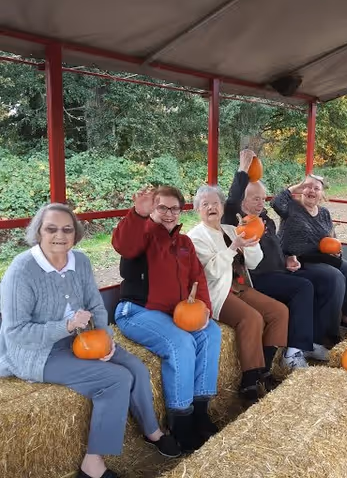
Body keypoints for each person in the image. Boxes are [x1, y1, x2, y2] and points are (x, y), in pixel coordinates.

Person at [0, 203, 180, 478]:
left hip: (82, 338)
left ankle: (152, 431)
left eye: (67, 229)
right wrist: (66, 326)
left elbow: (96, 307)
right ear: (38, 232)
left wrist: (106, 339)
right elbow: (16, 332)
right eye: (51, 229)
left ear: (76, 233)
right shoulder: (21, 270)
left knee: (135, 367)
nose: (59, 235)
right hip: (37, 351)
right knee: (116, 379)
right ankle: (92, 465)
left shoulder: (80, 261)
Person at [111, 185, 222, 453]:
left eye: (174, 208)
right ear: (153, 208)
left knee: (211, 333)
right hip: (136, 311)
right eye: (162, 207)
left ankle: (200, 411)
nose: (169, 213)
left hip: (174, 313)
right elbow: (123, 244)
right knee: (180, 343)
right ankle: (180, 421)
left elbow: (197, 277)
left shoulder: (184, 243)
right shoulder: (143, 233)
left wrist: (204, 308)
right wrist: (139, 213)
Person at [222, 149, 337, 361]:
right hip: (257, 278)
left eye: (262, 198)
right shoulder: (237, 218)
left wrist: (287, 258)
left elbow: (275, 248)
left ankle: (311, 340)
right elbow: (231, 201)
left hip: (279, 270)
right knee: (303, 287)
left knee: (326, 280)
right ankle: (293, 352)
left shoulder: (266, 219)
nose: (260, 203)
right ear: (242, 201)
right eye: (255, 198)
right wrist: (243, 170)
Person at [187, 185, 289, 404]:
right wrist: (233, 247)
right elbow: (211, 273)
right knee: (251, 318)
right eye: (205, 204)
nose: (211, 207)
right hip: (216, 292)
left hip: (240, 286)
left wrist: (250, 243)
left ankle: (265, 370)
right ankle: (249, 381)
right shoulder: (195, 237)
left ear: (223, 206)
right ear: (198, 210)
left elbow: (253, 263)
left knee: (279, 311)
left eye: (215, 203)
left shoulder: (231, 229)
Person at [272, 174, 347, 334]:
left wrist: (336, 250)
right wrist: (295, 187)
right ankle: (329, 331)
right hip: (296, 259)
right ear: (301, 189)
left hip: (321, 256)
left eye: (316, 188)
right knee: (335, 277)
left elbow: (331, 236)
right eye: (307, 186)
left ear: (322, 194)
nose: (311, 191)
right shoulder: (291, 207)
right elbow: (275, 203)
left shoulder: (324, 213)